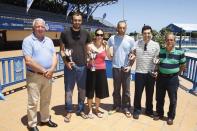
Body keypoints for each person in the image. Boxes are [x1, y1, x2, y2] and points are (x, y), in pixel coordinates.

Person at [22, 18, 58, 131]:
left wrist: (51, 69)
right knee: (33, 101)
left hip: (48, 75)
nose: (40, 28)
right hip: (34, 75)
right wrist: (44, 71)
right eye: (38, 26)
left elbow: (54, 56)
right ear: (34, 28)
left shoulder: (49, 40)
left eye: (42, 26)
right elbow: (28, 61)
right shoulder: (28, 40)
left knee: (46, 100)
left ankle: (45, 119)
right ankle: (32, 124)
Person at [60, 12, 91, 122]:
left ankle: (81, 110)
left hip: (82, 67)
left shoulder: (86, 33)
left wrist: (90, 58)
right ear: (72, 21)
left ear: (81, 21)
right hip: (70, 67)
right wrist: (66, 62)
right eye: (75, 20)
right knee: (68, 90)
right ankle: (69, 111)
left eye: (79, 20)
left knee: (82, 90)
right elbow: (62, 50)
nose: (77, 22)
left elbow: (88, 49)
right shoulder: (65, 33)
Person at [153, 32, 186, 125]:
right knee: (159, 98)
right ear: (165, 41)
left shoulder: (180, 52)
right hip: (160, 78)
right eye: (167, 40)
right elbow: (157, 63)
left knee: (173, 99)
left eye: (171, 40)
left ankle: (171, 116)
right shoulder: (161, 51)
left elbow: (183, 65)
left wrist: (176, 74)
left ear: (175, 41)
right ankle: (159, 114)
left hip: (173, 79)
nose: (169, 41)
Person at [108, 21, 135, 118]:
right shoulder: (112, 38)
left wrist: (130, 65)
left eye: (124, 28)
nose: (122, 29)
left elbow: (134, 54)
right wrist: (109, 56)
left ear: (126, 28)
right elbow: (107, 48)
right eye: (120, 27)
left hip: (126, 68)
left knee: (126, 90)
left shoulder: (130, 39)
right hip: (116, 67)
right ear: (117, 28)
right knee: (116, 89)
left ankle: (126, 107)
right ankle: (116, 106)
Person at [133, 25, 160, 119]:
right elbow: (132, 54)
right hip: (139, 72)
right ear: (142, 34)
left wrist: (156, 71)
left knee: (150, 94)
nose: (147, 35)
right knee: (138, 93)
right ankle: (136, 110)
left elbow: (157, 61)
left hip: (150, 74)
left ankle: (149, 110)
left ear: (151, 34)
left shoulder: (156, 45)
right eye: (145, 33)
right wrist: (131, 56)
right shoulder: (137, 43)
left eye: (148, 33)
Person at [86, 29, 110, 119]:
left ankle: (96, 109)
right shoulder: (89, 46)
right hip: (91, 71)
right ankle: (90, 110)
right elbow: (87, 59)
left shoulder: (105, 46)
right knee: (90, 91)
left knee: (99, 92)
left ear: (103, 36)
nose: (99, 36)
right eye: (98, 34)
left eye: (101, 34)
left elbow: (110, 57)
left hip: (101, 71)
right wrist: (89, 58)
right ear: (95, 35)